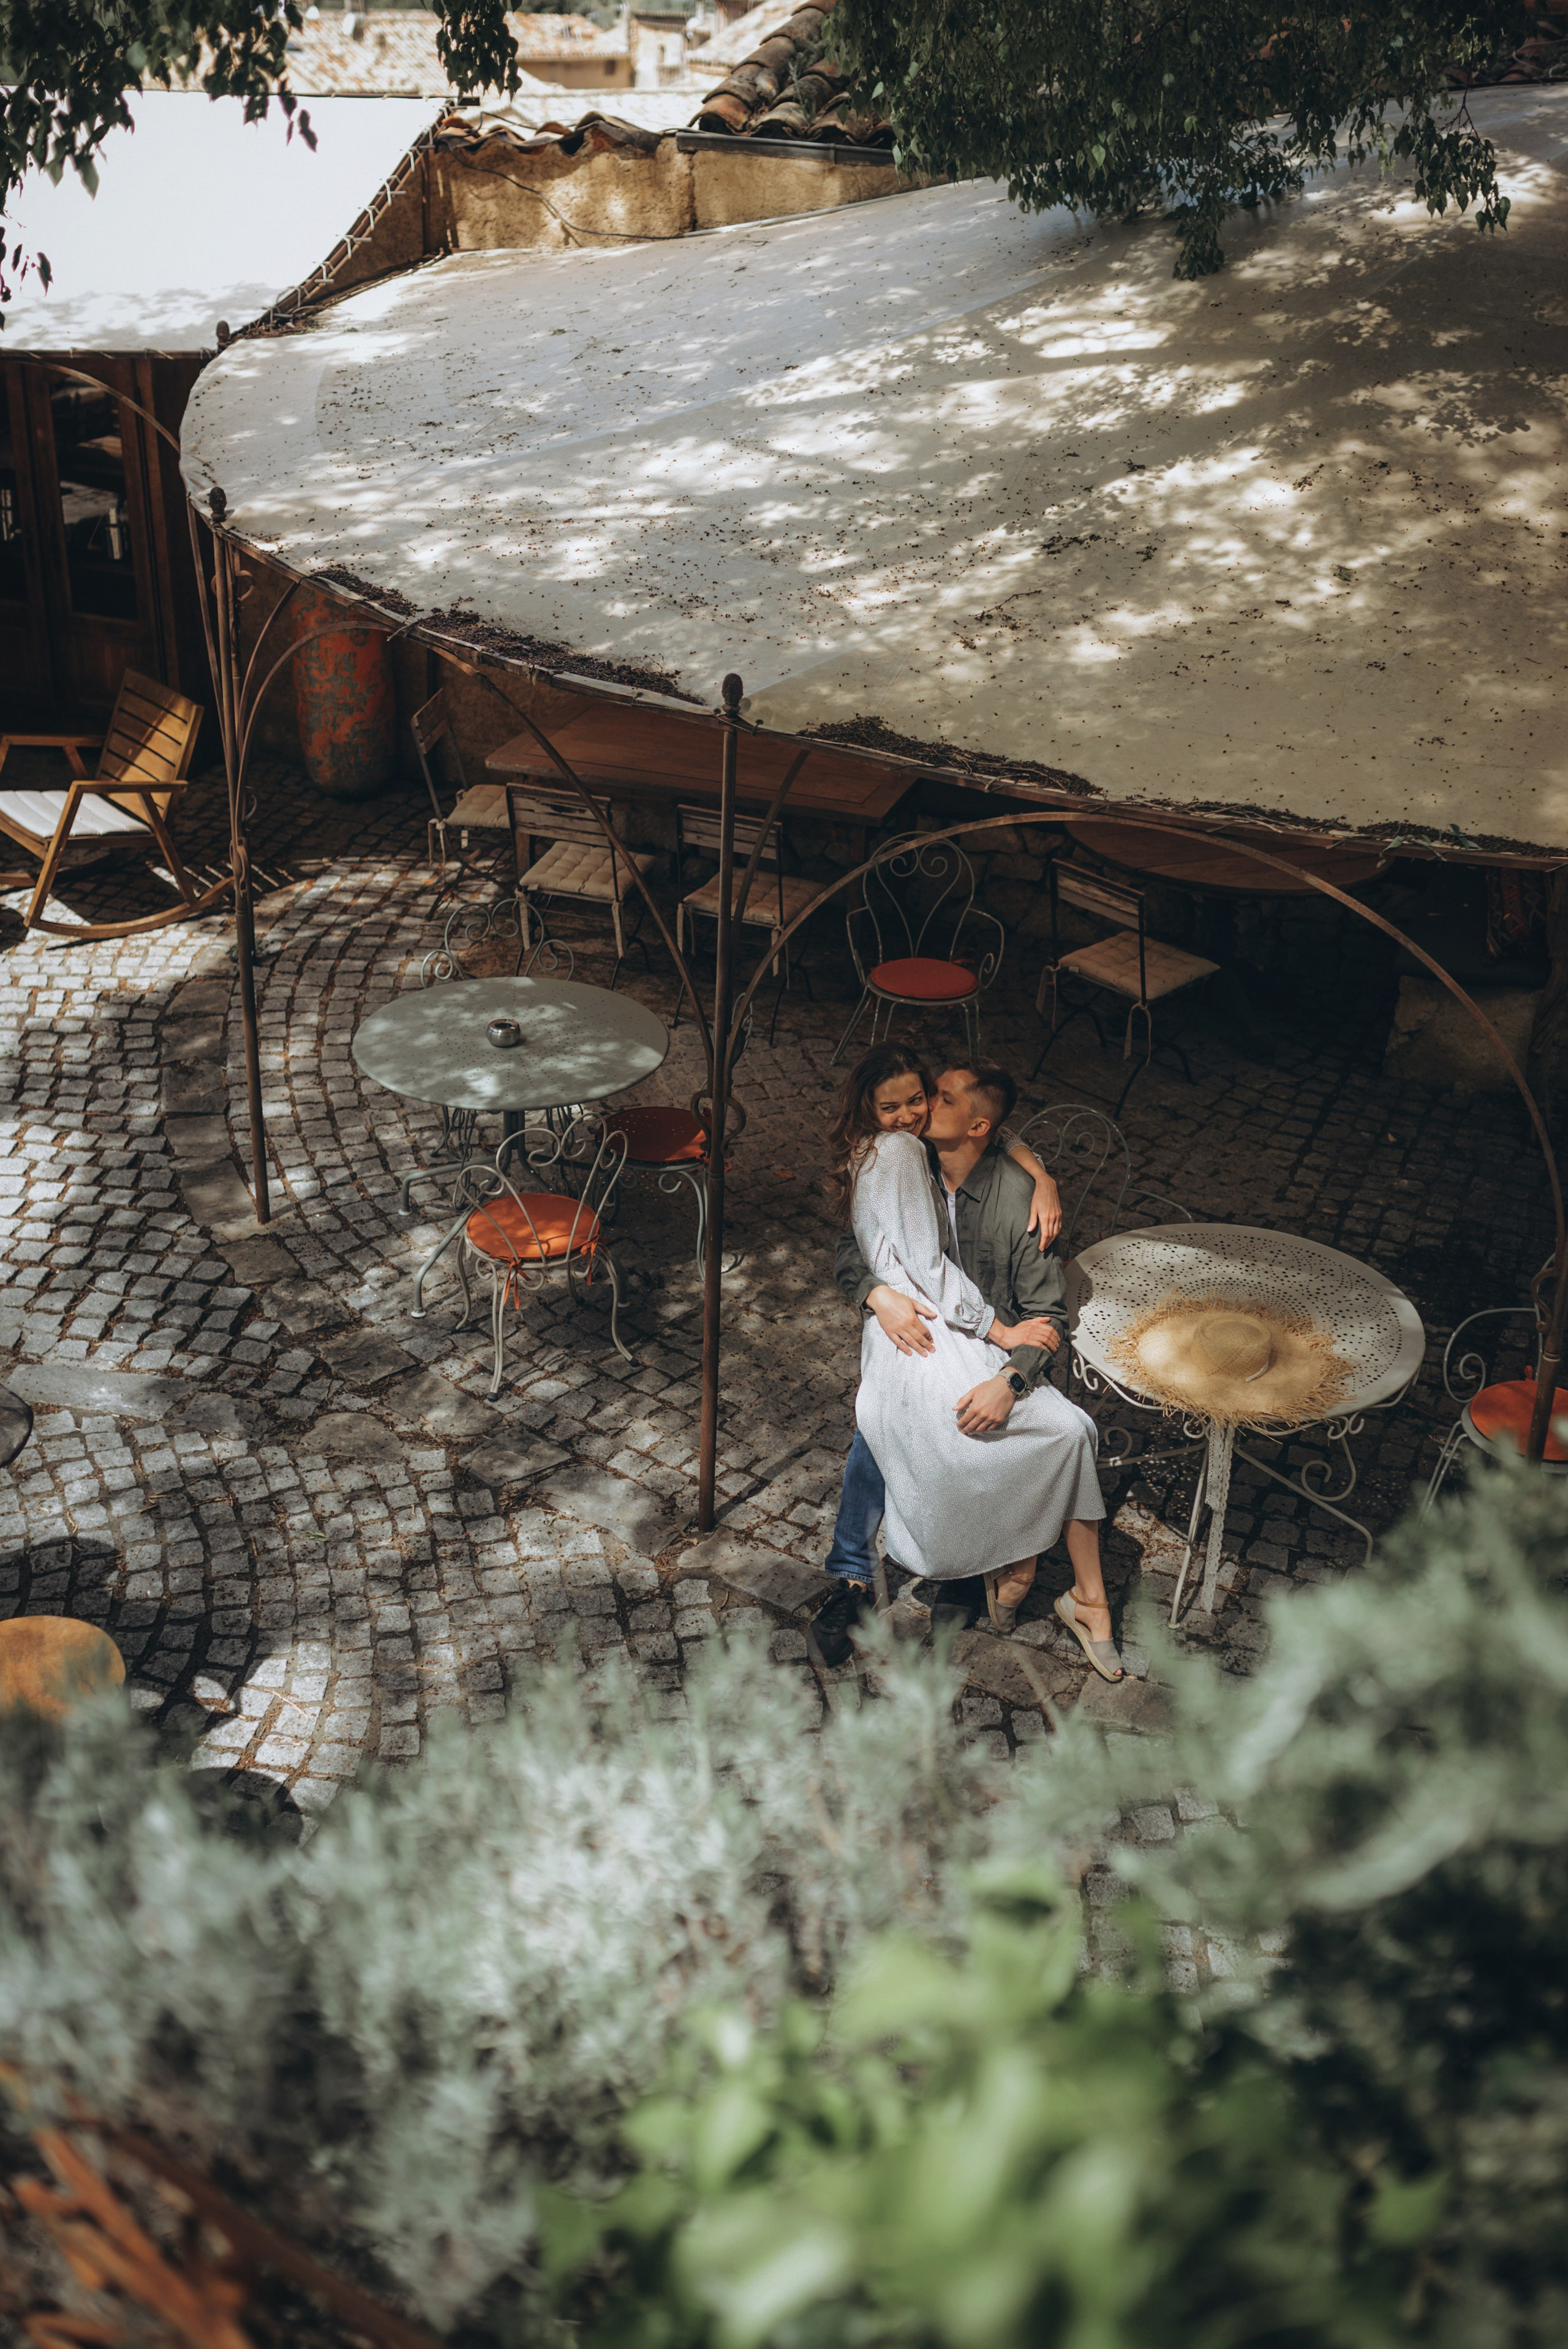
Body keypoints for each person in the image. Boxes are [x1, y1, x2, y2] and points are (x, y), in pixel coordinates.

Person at [809, 1052, 1121, 1683]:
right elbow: (853, 1249)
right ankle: (850, 1576)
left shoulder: (1019, 1198)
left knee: (989, 1425)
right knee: (879, 1421)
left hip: (992, 1348)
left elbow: (1047, 1316)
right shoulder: (907, 1152)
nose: (918, 1109)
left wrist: (1010, 1377)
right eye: (915, 1099)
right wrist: (878, 1294)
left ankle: (972, 1565)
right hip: (921, 1328)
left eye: (933, 1099)